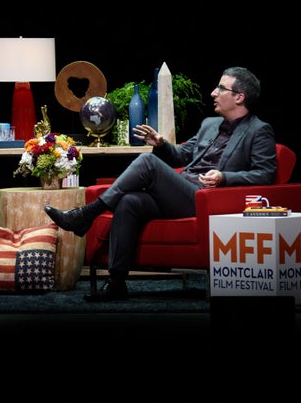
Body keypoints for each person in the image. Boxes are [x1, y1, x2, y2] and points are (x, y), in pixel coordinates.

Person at [44, 66, 277, 302]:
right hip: (181, 192)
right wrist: (161, 144)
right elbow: (181, 156)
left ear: (239, 97)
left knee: (147, 162)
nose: (213, 93)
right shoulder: (210, 124)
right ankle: (116, 282)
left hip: (205, 199)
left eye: (221, 88)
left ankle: (86, 215)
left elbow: (265, 174)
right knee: (129, 201)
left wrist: (224, 177)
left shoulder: (259, 131)